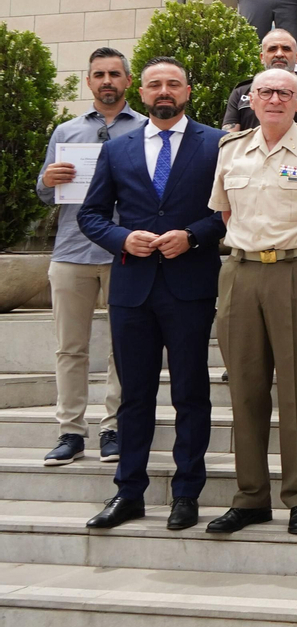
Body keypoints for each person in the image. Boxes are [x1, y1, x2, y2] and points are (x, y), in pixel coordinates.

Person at [78, 58, 226, 531]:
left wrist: (194, 236)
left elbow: (230, 211)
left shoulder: (217, 144)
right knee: (134, 396)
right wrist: (122, 239)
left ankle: (187, 493)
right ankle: (129, 492)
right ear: (141, 93)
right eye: (155, 84)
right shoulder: (117, 149)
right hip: (132, 289)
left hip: (190, 285)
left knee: (190, 392)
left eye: (173, 84)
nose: (165, 91)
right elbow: (92, 215)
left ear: (187, 91)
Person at [205, 68, 297, 536]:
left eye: (285, 93)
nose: (275, 99)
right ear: (251, 99)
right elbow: (224, 211)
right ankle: (250, 497)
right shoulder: (231, 150)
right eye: (265, 92)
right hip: (240, 271)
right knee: (244, 388)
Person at [37, 49, 142, 466]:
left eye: (114, 74)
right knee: (69, 347)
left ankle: (114, 427)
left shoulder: (146, 130)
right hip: (71, 252)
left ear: (128, 81)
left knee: (125, 346)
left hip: (126, 252)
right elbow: (45, 193)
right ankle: (70, 431)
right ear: (89, 81)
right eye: (99, 74)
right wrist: (47, 181)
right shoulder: (66, 131)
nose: (107, 81)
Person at [222, 29, 297, 134]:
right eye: (272, 49)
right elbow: (229, 139)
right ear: (262, 57)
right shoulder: (241, 91)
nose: (279, 54)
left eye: (286, 49)